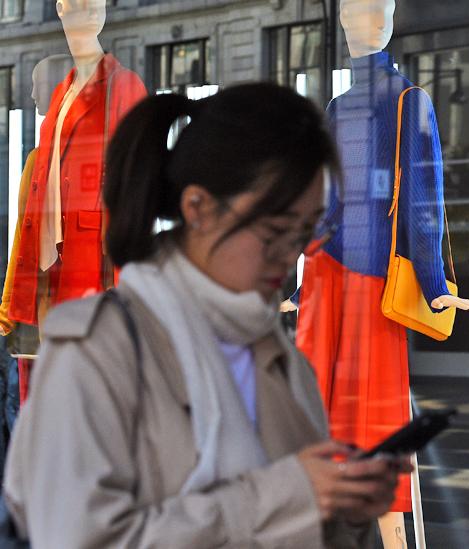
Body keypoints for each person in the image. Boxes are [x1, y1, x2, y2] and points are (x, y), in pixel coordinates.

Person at [3, 83, 410, 547]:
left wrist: (345, 509)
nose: (292, 254)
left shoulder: (278, 357)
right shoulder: (97, 349)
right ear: (197, 208)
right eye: (276, 230)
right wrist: (281, 496)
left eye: (308, 229)